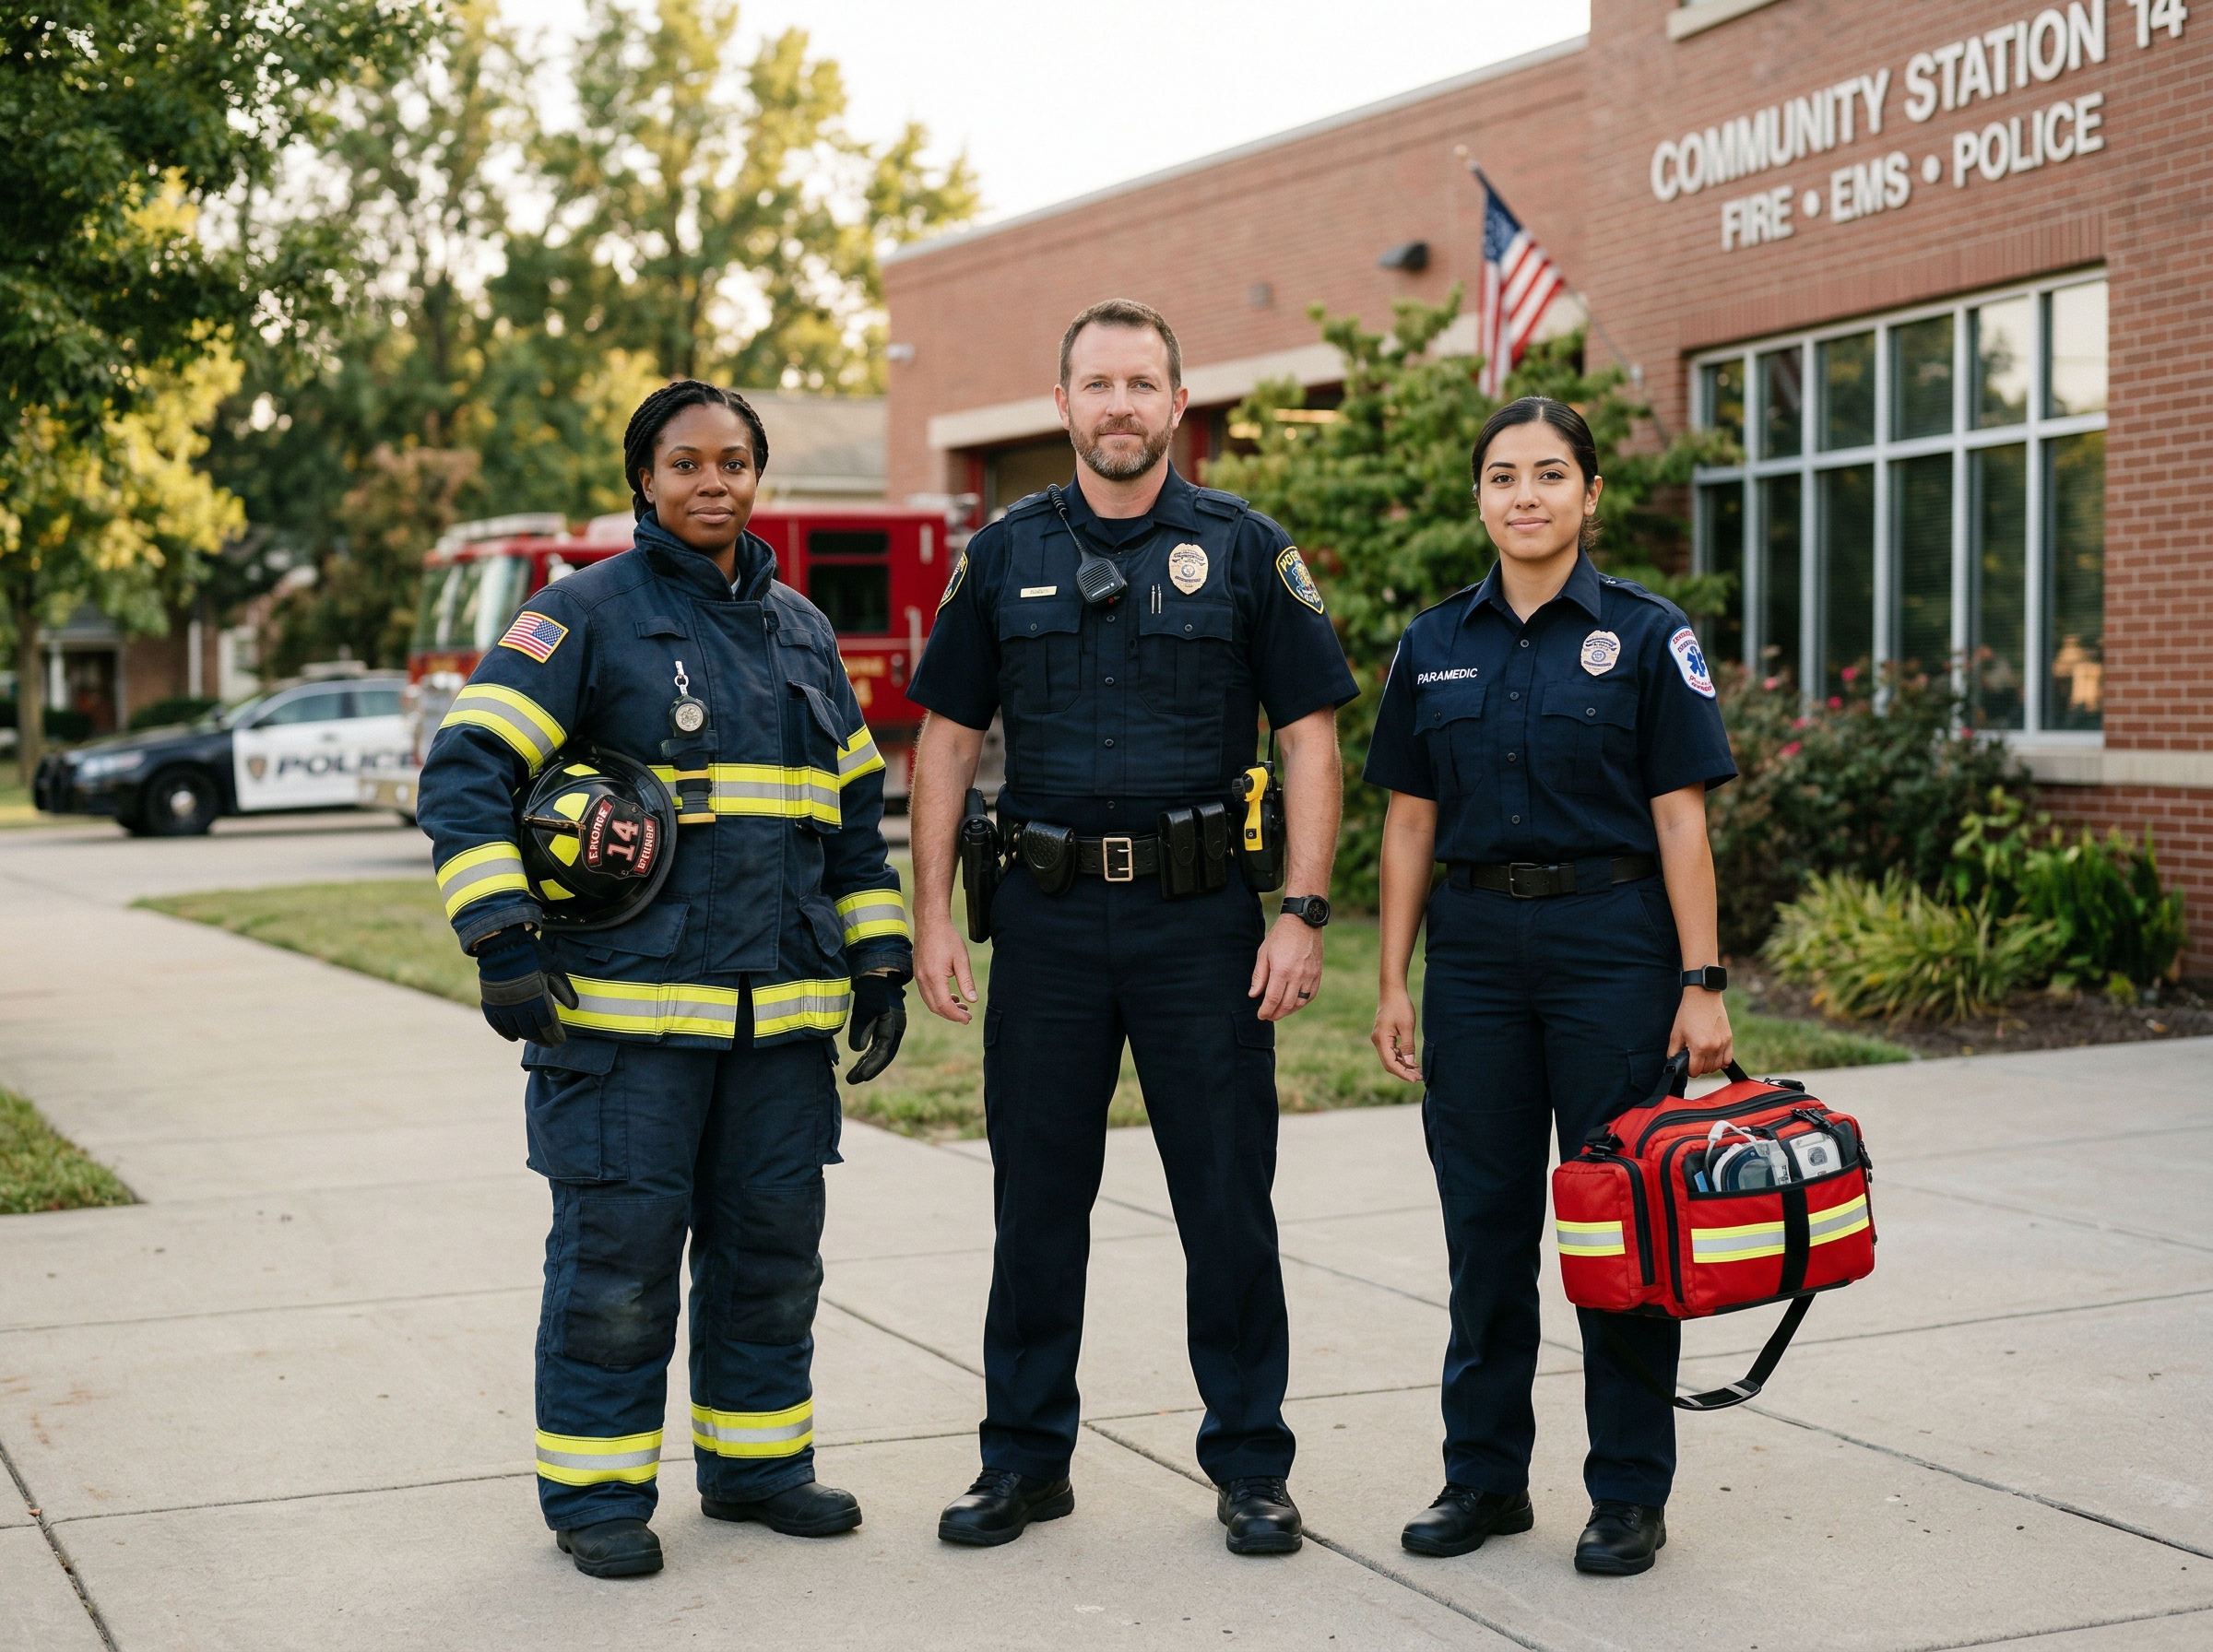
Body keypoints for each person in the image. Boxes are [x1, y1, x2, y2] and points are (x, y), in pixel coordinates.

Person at [417, 381, 913, 1579]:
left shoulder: (801, 631)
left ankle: (757, 1469)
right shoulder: (580, 617)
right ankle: (596, 1496)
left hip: (782, 1031)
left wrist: (880, 957)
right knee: (617, 1271)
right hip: (623, 1039)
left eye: (734, 462)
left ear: (759, 476)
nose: (712, 484)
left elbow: (849, 818)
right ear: (644, 477)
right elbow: (467, 769)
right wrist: (499, 940)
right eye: (685, 463)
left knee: (771, 1259)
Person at [905, 299, 1358, 1555]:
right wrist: (930, 915)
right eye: (1096, 383)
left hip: (1199, 926)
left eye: (1141, 383)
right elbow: (943, 740)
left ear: (1176, 402)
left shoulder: (1246, 546)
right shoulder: (1001, 557)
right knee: (1036, 1204)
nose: (1119, 404)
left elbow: (1311, 735)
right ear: (1062, 405)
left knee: (1228, 1204)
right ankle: (1024, 1460)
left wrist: (1304, 912)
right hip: (1045, 930)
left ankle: (1252, 1466)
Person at [1363, 395, 1737, 1577]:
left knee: (1617, 1222)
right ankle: (1482, 1478)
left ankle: (1628, 1490)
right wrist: (1394, 980)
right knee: (1483, 1231)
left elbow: (1682, 819)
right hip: (1473, 955)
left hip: (1611, 949)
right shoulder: (1432, 644)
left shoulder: (1644, 633)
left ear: (1588, 494)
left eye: (1549, 474)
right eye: (1502, 476)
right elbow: (1410, 822)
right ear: (1478, 497)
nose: (1525, 495)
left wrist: (1702, 982)